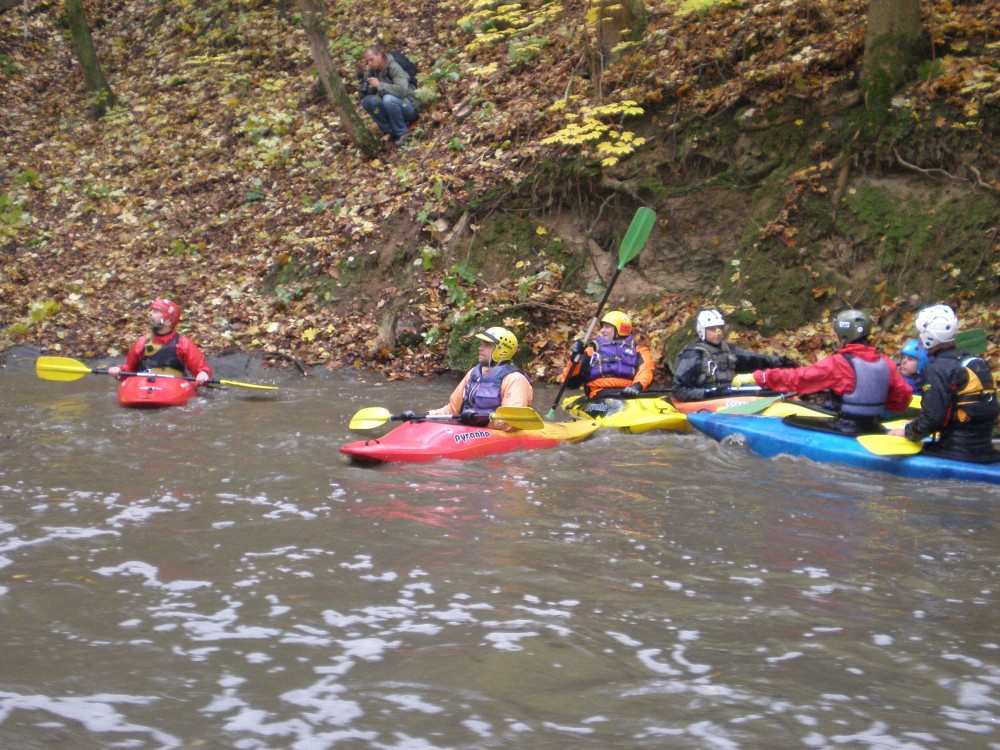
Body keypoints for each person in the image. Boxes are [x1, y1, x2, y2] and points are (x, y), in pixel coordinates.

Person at [731, 308, 912, 434]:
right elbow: (903, 396)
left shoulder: (838, 363)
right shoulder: (886, 362)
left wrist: (760, 377)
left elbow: (799, 378)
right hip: (874, 427)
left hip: (846, 428)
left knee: (791, 420)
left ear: (844, 337)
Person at [888, 304, 1000, 463]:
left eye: (921, 333)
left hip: (956, 450)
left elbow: (933, 418)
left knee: (897, 457)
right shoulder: (975, 362)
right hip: (985, 449)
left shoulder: (936, 369)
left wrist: (907, 431)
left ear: (929, 337)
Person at [422, 327, 533, 431]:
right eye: (482, 343)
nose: (480, 348)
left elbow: (511, 422)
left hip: (494, 433)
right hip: (469, 429)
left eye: (487, 345)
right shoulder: (473, 373)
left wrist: (482, 421)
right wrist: (427, 416)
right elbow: (452, 410)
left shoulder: (515, 379)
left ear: (502, 350)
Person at [671, 309, 785, 402]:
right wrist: (710, 393)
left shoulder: (728, 349)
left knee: (768, 389)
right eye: (712, 329)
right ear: (702, 331)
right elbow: (678, 390)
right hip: (709, 399)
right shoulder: (693, 354)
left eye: (720, 328)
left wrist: (780, 361)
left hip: (729, 395)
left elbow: (753, 359)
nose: (718, 333)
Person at [107, 298, 212, 385]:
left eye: (156, 311)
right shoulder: (142, 342)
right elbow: (129, 371)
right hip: (145, 386)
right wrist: (119, 369)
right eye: (152, 311)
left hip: (173, 387)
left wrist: (203, 374)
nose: (150, 314)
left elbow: (201, 367)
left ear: (168, 320)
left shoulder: (183, 344)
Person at [560, 311, 655, 399]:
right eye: (602, 327)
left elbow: (646, 371)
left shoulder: (639, 350)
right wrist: (574, 357)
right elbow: (570, 382)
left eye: (607, 327)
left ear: (620, 329)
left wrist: (636, 386)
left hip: (628, 394)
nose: (602, 330)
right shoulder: (593, 349)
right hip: (599, 395)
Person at [359, 46, 419, 149]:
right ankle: (390, 131)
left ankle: (402, 133)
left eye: (371, 59)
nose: (369, 63)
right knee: (367, 101)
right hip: (393, 109)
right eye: (367, 61)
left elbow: (402, 91)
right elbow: (371, 95)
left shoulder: (394, 67)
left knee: (388, 99)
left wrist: (380, 85)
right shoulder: (373, 71)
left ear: (379, 55)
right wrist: (365, 86)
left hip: (409, 106)